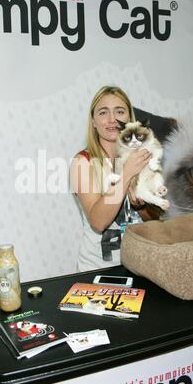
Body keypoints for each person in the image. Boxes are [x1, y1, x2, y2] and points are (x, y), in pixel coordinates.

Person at [70, 85, 155, 272]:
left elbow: (155, 223)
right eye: (103, 112)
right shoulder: (83, 162)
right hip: (98, 270)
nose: (112, 120)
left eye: (119, 111)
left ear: (129, 119)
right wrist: (126, 175)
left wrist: (141, 206)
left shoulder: (142, 157)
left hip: (142, 267)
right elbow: (98, 222)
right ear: (93, 121)